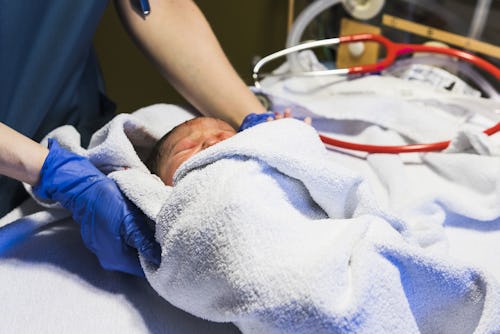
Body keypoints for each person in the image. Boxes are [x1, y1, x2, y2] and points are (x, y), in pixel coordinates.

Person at [0, 1, 275, 276]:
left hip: (68, 119)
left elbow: (159, 6)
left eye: (224, 136)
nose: (214, 145)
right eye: (190, 148)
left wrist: (259, 122)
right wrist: (58, 173)